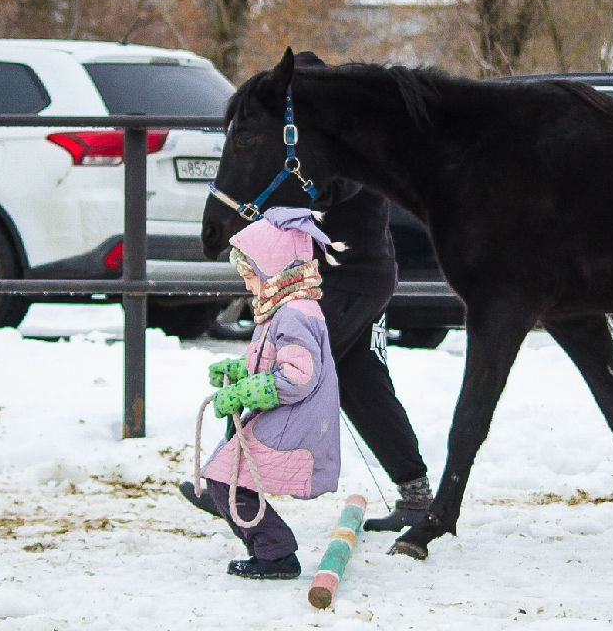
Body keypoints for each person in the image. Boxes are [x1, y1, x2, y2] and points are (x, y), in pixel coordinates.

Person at [183, 51, 433, 532]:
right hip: (343, 280)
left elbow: (331, 189)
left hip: (346, 281)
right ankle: (417, 493)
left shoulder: (341, 143)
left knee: (282, 371)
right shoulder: (315, 140)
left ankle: (230, 477)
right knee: (363, 385)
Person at [200, 206, 341, 580]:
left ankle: (276, 554)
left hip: (292, 422)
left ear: (274, 271)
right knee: (227, 476)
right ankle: (272, 549)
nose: (247, 283)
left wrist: (251, 389)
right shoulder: (285, 309)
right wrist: (241, 372)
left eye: (251, 274)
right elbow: (276, 362)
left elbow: (299, 377)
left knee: (225, 478)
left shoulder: (293, 314)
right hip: (285, 416)